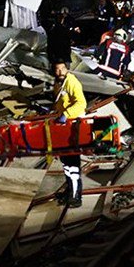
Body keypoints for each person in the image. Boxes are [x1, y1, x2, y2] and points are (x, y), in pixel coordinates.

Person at [51, 59, 87, 208]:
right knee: (66, 162)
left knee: (72, 163)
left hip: (73, 127)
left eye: (62, 69)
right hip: (64, 127)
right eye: (57, 69)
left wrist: (66, 114)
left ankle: (75, 197)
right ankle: (70, 190)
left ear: (67, 69)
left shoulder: (72, 83)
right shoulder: (58, 83)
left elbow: (81, 103)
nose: (59, 72)